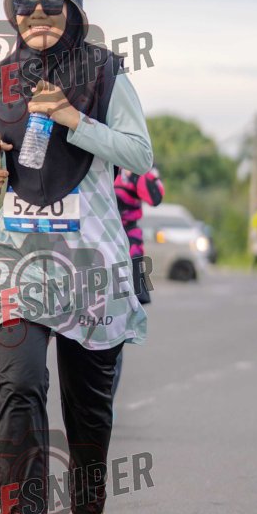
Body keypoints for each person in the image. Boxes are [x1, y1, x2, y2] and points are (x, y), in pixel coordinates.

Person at [0, 0, 153, 514]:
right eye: (25, 5)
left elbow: (139, 154)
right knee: (19, 385)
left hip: (90, 262)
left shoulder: (106, 72)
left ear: (74, 14)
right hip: (19, 256)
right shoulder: (3, 77)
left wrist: (77, 121)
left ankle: (87, 512)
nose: (37, 16)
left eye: (52, 6)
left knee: (88, 408)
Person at [112, 166, 165, 395]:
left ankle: (106, 401)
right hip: (88, 248)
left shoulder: (134, 166)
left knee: (114, 329)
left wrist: (135, 169)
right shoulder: (92, 156)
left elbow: (155, 197)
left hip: (127, 252)